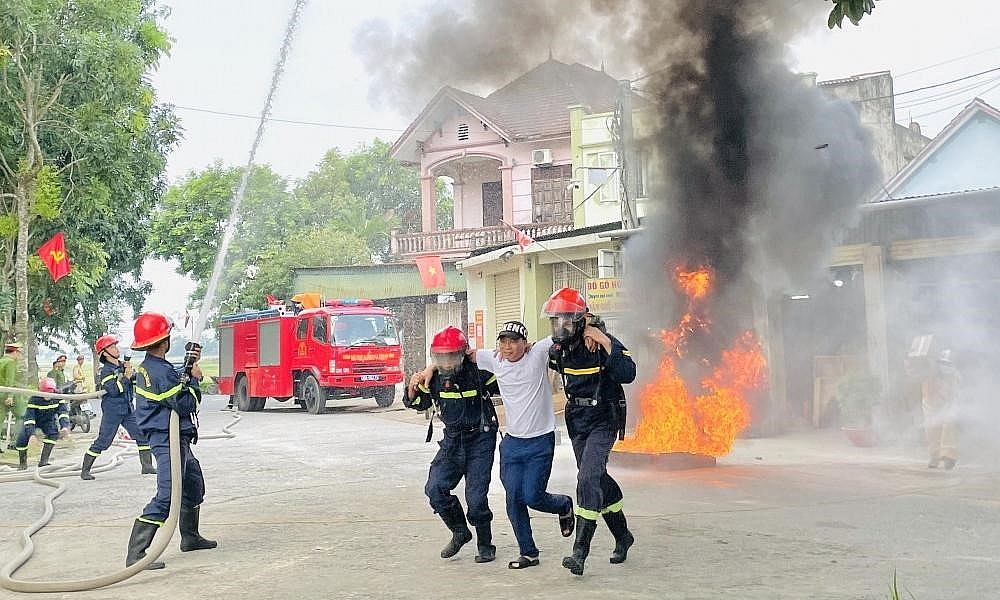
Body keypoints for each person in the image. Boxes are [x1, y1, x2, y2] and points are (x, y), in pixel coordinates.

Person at [419, 320, 576, 570]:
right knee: (513, 498)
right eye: (503, 341)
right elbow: (452, 356)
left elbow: (565, 335)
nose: (508, 346)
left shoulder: (537, 354)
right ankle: (529, 552)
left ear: (525, 343)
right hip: (512, 443)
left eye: (514, 341)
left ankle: (562, 504)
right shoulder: (492, 359)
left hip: (540, 441)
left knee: (532, 495)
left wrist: (588, 325)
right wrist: (429, 370)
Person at [543, 287, 637, 576]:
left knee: (587, 478)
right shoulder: (558, 350)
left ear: (582, 319)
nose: (561, 327)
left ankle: (579, 551)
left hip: (603, 417)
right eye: (555, 321)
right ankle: (623, 536)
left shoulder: (599, 340)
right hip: (577, 420)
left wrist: (604, 340)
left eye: (567, 321)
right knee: (597, 477)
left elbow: (628, 373)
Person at [125, 312, 216, 570]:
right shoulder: (158, 372)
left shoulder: (155, 367)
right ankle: (137, 554)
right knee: (167, 496)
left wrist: (187, 364)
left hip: (178, 440)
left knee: (193, 486)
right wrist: (195, 381)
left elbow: (173, 379)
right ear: (164, 340)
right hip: (166, 441)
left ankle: (190, 537)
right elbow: (184, 403)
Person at [403, 326, 501, 563]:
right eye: (440, 358)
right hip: (452, 441)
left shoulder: (480, 372)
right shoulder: (433, 377)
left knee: (476, 497)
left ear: (463, 354)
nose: (446, 363)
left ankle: (485, 542)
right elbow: (418, 404)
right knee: (434, 489)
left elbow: (508, 377)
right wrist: (412, 387)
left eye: (451, 357)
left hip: (480, 438)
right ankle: (459, 531)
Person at [80, 334, 157, 480]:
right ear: (104, 352)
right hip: (113, 410)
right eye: (112, 347)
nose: (116, 349)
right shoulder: (106, 371)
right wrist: (126, 377)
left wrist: (132, 374)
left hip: (127, 409)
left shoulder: (121, 366)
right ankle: (85, 470)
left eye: (115, 345)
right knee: (104, 441)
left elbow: (133, 382)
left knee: (142, 435)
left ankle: (147, 466)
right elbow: (114, 390)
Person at [14, 377, 70, 470]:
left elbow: (63, 413)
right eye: (45, 393)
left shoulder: (58, 397)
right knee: (22, 438)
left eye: (50, 393)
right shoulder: (34, 399)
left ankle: (44, 461)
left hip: (48, 421)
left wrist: (64, 427)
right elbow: (29, 418)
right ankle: (22, 463)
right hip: (34, 420)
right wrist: (31, 434)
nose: (47, 396)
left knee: (53, 434)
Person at [922, 349, 960, 470]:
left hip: (949, 406)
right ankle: (934, 456)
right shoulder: (930, 377)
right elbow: (927, 396)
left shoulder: (956, 376)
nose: (945, 367)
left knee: (949, 427)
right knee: (931, 429)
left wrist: (949, 407)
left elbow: (956, 394)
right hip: (931, 406)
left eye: (948, 364)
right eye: (943, 364)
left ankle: (949, 457)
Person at [1, 342, 28, 452]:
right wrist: (11, 396)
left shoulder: (1, 360)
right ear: (15, 352)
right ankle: (15, 442)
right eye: (19, 353)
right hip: (9, 395)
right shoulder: (11, 362)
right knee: (22, 416)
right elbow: (10, 381)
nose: (19, 356)